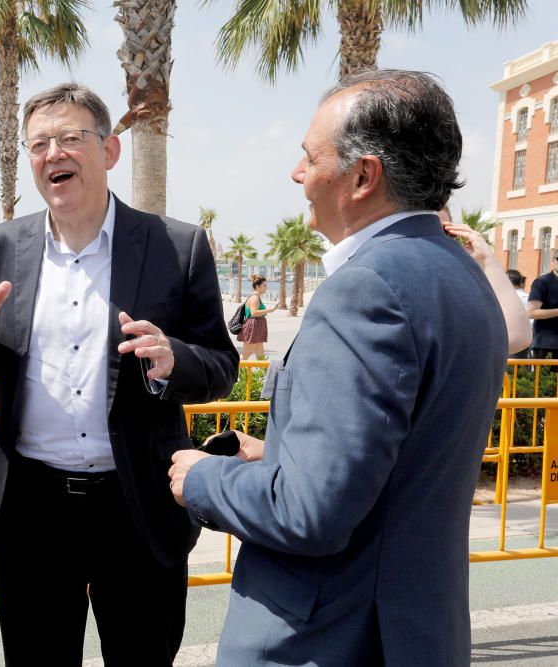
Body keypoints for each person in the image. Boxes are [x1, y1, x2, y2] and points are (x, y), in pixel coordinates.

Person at [169, 70, 508, 666]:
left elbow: (310, 514)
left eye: (308, 157)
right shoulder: (462, 277)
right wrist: (278, 456)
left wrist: (201, 479)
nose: (297, 175)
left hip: (328, 639)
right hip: (416, 630)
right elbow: (401, 465)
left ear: (362, 176)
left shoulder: (366, 289)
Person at [0, 83, 238, 665]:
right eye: (39, 144)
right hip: (32, 509)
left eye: (71, 138)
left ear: (109, 152)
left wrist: (174, 357)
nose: (54, 153)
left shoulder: (176, 246)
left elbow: (221, 367)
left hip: (137, 506)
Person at [439, 208, 531, 355]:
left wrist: (487, 260)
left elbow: (516, 337)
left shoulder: (460, 287)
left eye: (446, 232)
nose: (438, 240)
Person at [238, 274, 278, 360]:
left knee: (260, 356)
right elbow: (253, 313)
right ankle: (233, 372)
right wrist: (270, 310)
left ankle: (263, 373)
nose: (266, 288)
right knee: (245, 356)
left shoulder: (256, 297)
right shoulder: (254, 298)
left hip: (257, 327)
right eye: (264, 285)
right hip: (253, 327)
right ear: (257, 286)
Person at [527, 251, 558, 359]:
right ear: (553, 261)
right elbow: (531, 313)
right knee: (546, 376)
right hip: (548, 346)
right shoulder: (543, 282)